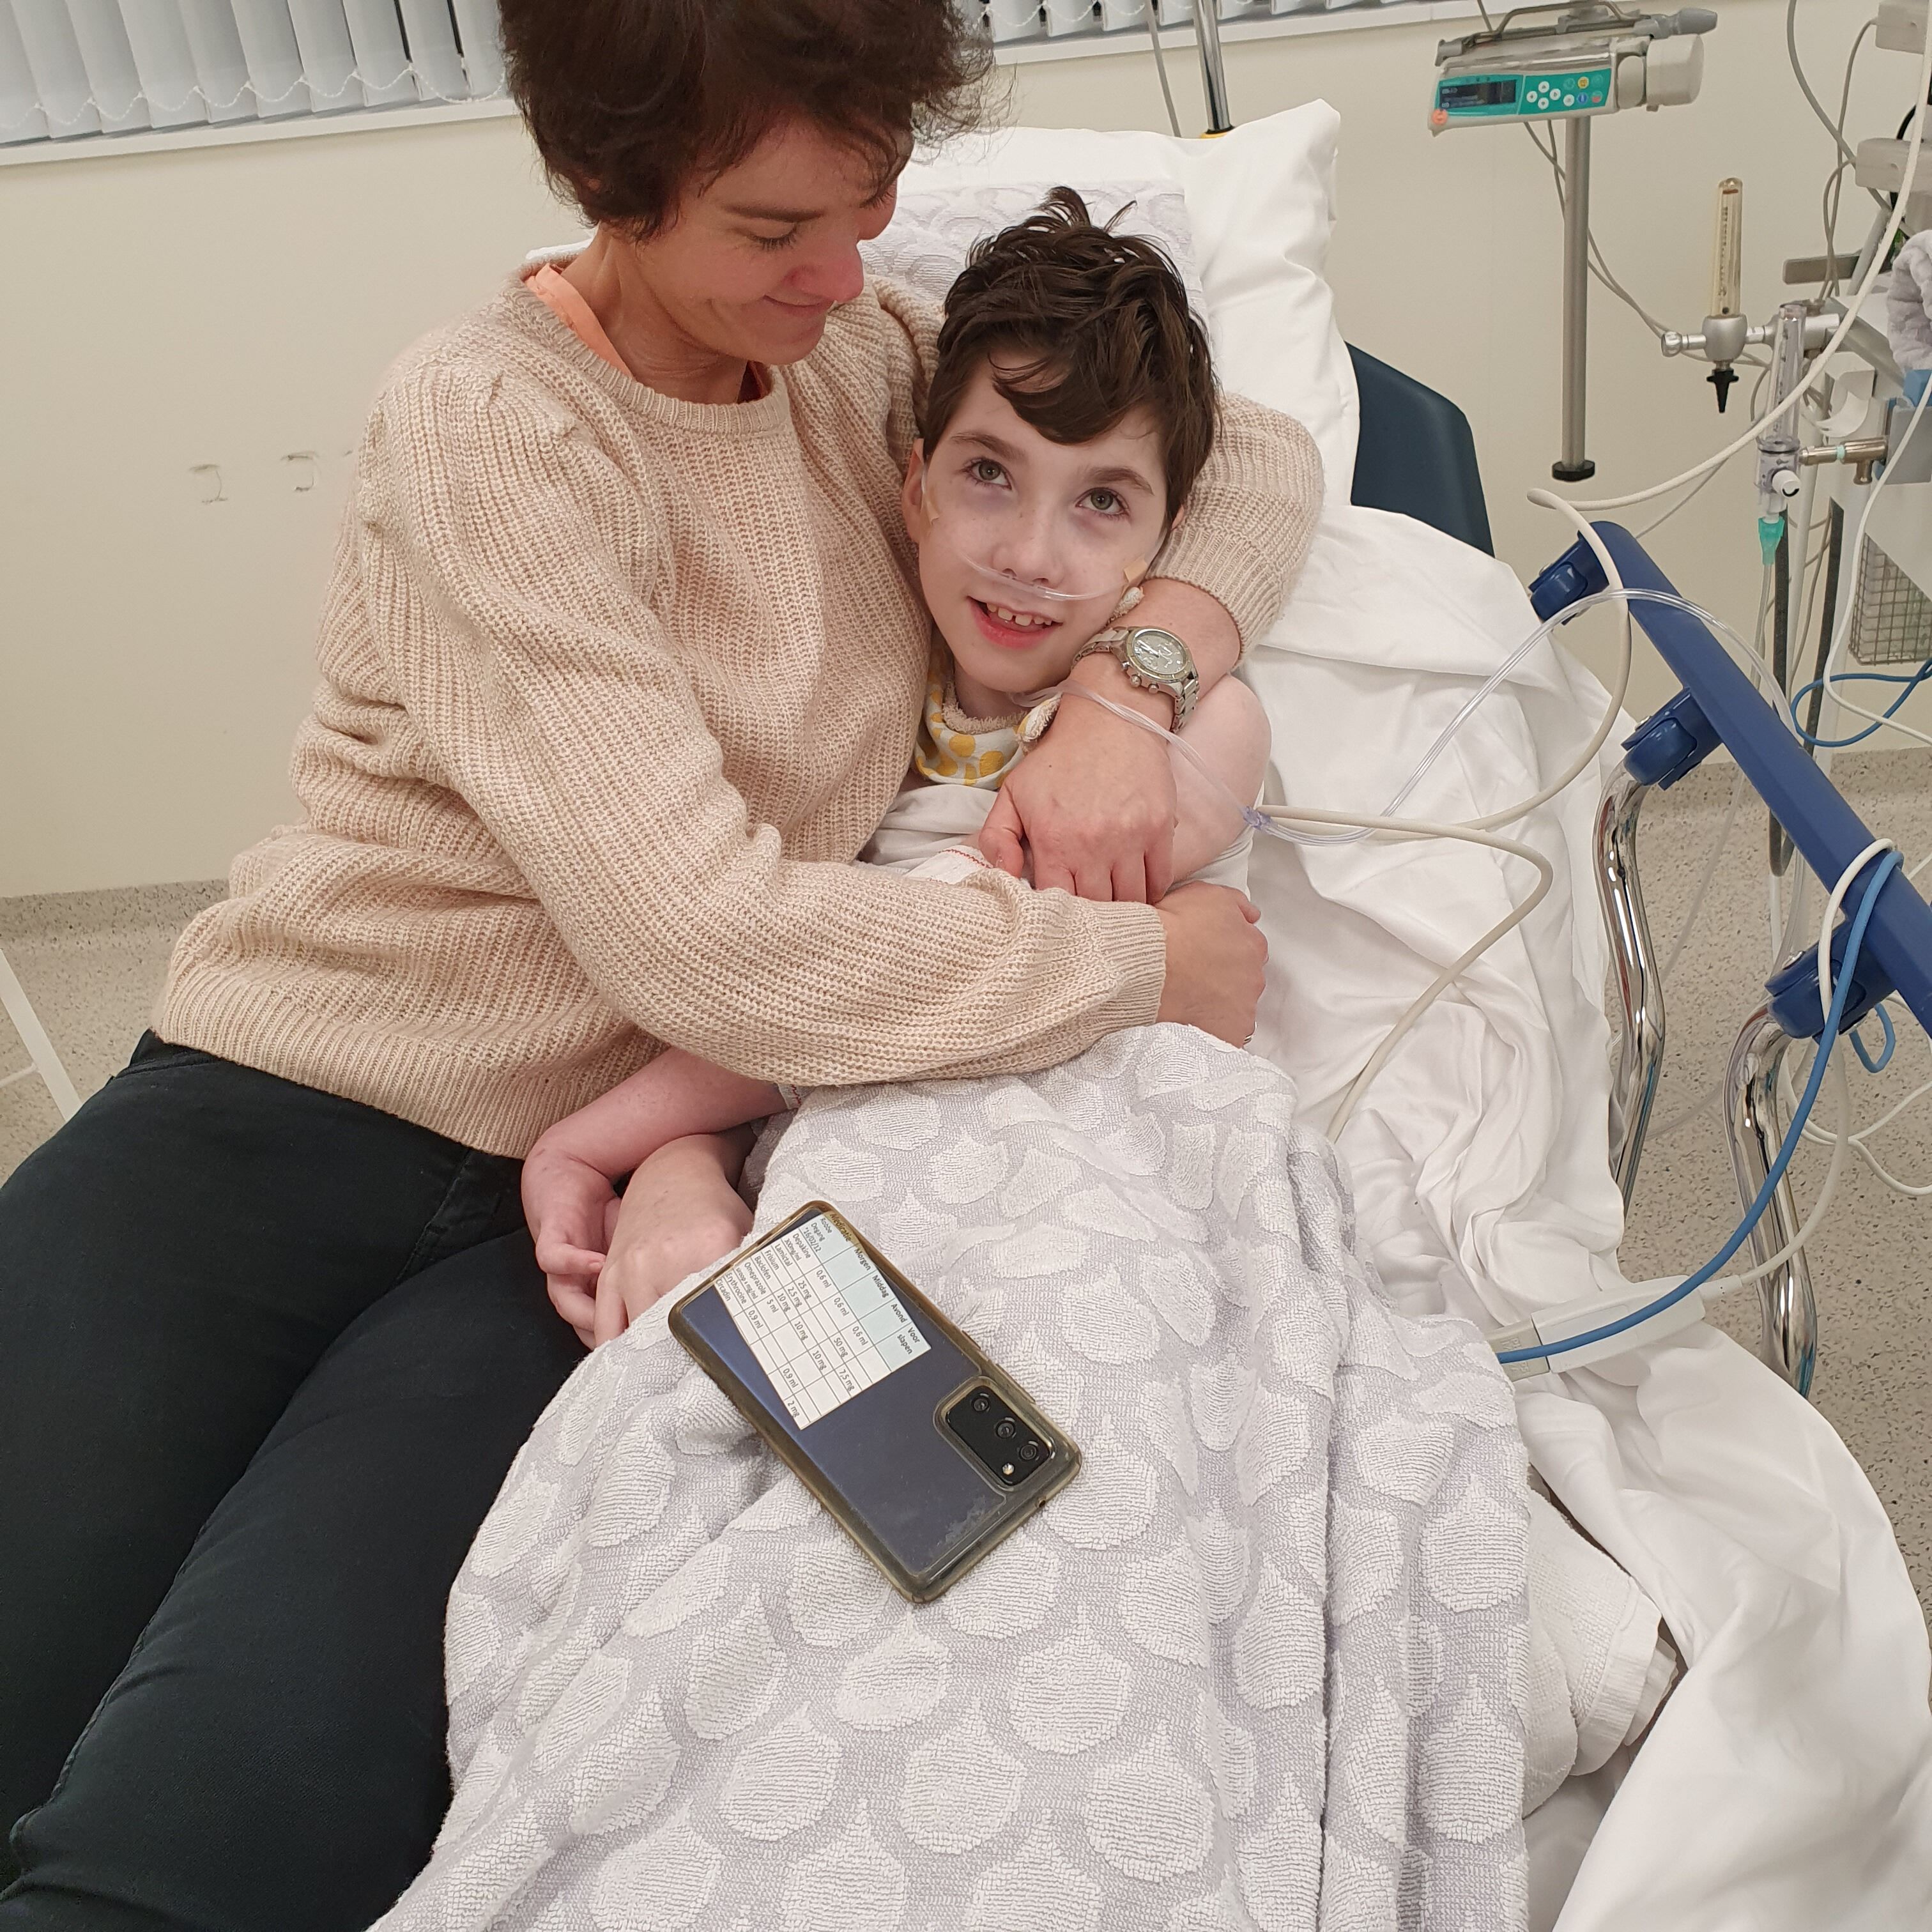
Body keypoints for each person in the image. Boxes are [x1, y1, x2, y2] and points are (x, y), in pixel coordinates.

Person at [0, 1, 1321, 1925]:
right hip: (284, 1103)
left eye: (869, 203)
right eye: (775, 228)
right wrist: (1138, 965)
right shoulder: (495, 426)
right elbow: (711, 941)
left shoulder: (850, 357)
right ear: (606, 183)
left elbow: (1251, 451)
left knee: (212, 1833)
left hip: (569, 1206)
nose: (843, 273)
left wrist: (1137, 679)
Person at [523, 189, 1282, 1348]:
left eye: (1101, 502)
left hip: (1098, 1157)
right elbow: (813, 1006)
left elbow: (923, 964)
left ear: (1166, 544)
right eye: (990, 474)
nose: (1031, 555)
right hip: (845, 1140)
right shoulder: (861, 707)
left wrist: (596, 1139)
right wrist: (681, 1167)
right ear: (913, 488)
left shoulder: (1192, 731)